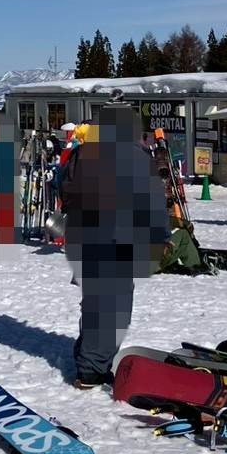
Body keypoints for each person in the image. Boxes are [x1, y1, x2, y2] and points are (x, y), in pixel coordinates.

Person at [60, 102, 170, 389]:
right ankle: (92, 369)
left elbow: (64, 189)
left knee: (96, 300)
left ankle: (89, 360)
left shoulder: (82, 152)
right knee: (114, 305)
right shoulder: (131, 153)